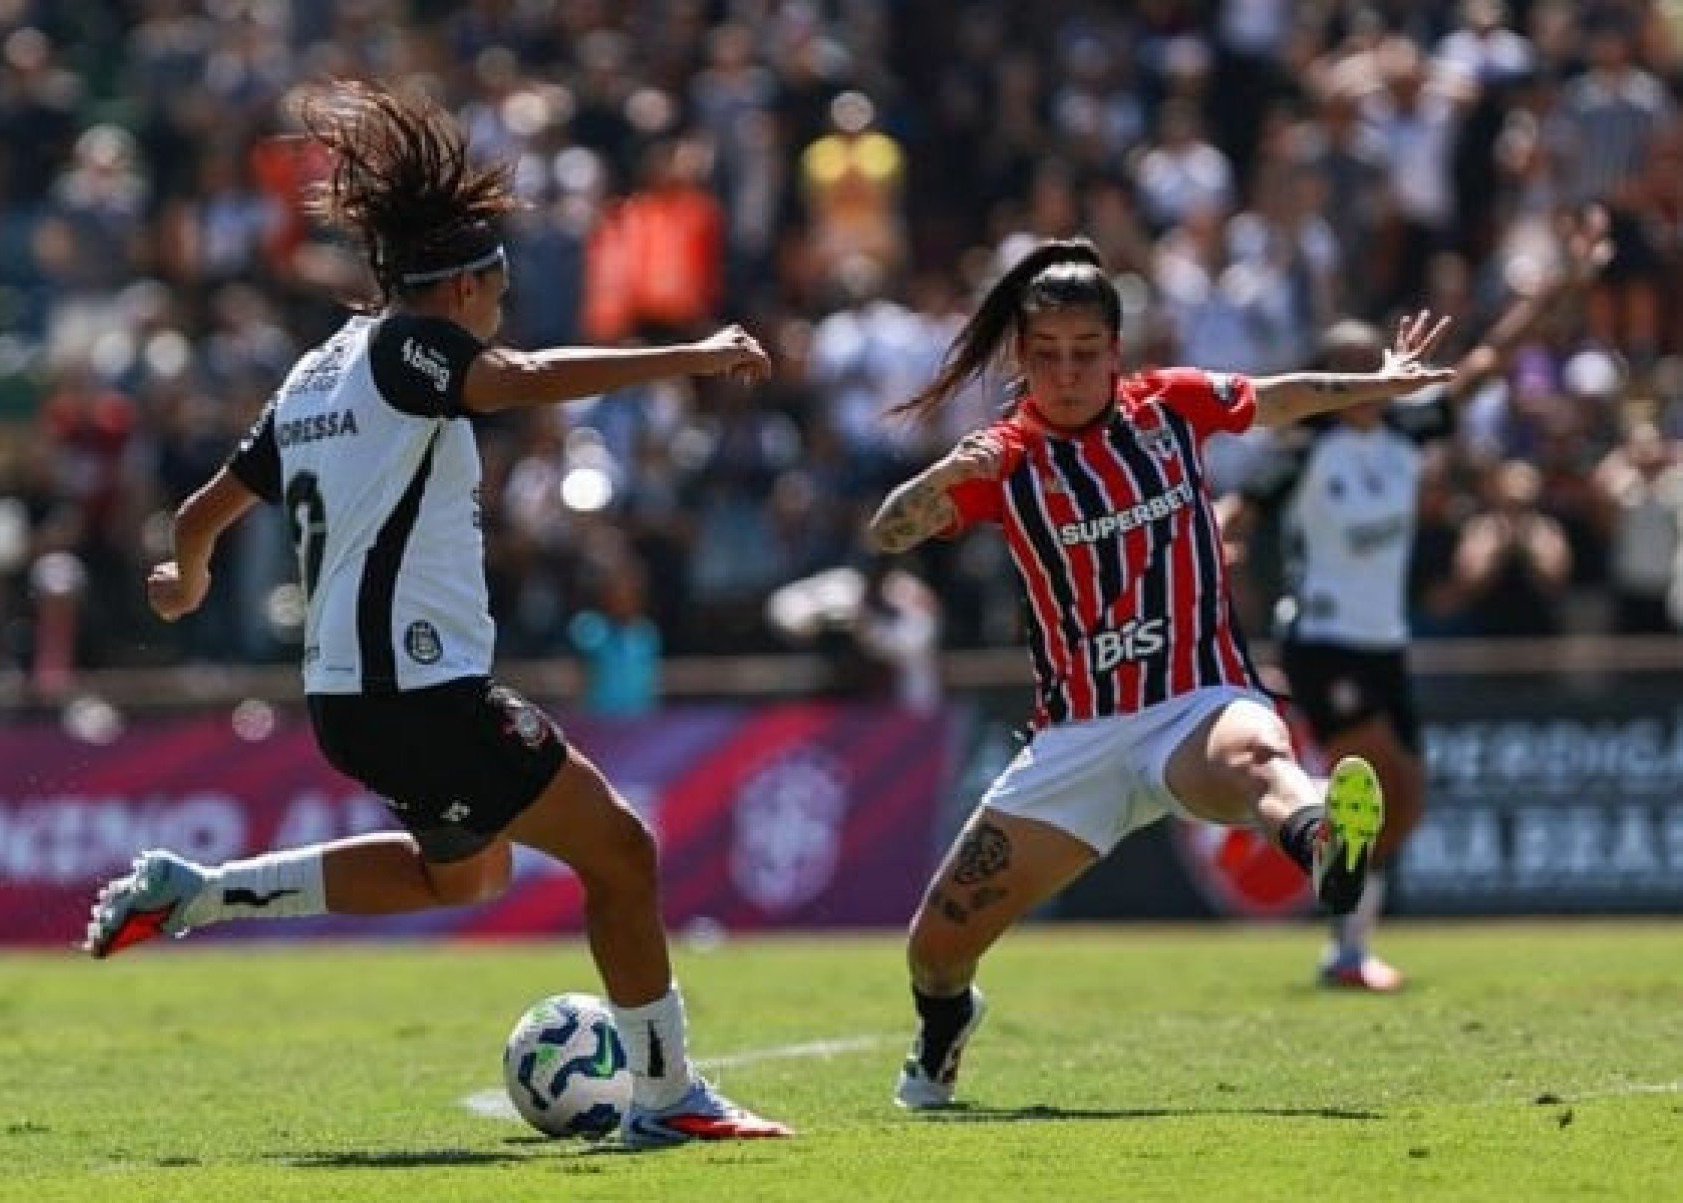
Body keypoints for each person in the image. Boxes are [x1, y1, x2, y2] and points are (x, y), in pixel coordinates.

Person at [79, 82, 789, 1149]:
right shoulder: (411, 347)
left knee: (466, 873)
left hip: (351, 698)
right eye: (495, 285)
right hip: (422, 692)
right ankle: (670, 1096)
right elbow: (520, 377)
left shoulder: (315, 374)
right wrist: (693, 355)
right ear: (465, 286)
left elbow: (197, 514)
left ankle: (195, 894)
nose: (499, 303)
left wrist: (185, 577)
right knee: (623, 855)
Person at [865, 237, 1454, 1111]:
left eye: (1085, 352)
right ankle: (947, 1027)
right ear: (1023, 361)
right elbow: (887, 532)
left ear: (1116, 351)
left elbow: (1277, 399)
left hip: (1196, 702)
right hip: (1078, 739)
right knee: (935, 949)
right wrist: (949, 472)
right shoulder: (1006, 460)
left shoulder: (1171, 405)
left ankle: (1322, 833)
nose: (1067, 374)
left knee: (1259, 757)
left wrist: (1378, 381)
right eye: (1047, 356)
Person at [1220, 210, 1611, 990]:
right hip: (1324, 637)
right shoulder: (1301, 452)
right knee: (1379, 773)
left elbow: (1491, 360)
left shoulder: (1406, 435)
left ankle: (1342, 920)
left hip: (1384, 640)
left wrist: (1562, 284)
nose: (1369, 377)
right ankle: (1344, 934)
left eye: (1374, 363)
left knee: (1405, 808)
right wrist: (1222, 543)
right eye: (1352, 365)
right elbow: (1241, 510)